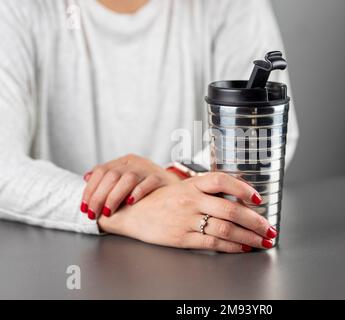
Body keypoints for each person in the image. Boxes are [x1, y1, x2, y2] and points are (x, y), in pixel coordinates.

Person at [0, 0, 299, 253]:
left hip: (198, 264)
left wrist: (174, 177)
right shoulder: (17, 9)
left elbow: (263, 135)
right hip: (59, 257)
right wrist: (131, 212)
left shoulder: (232, 6)